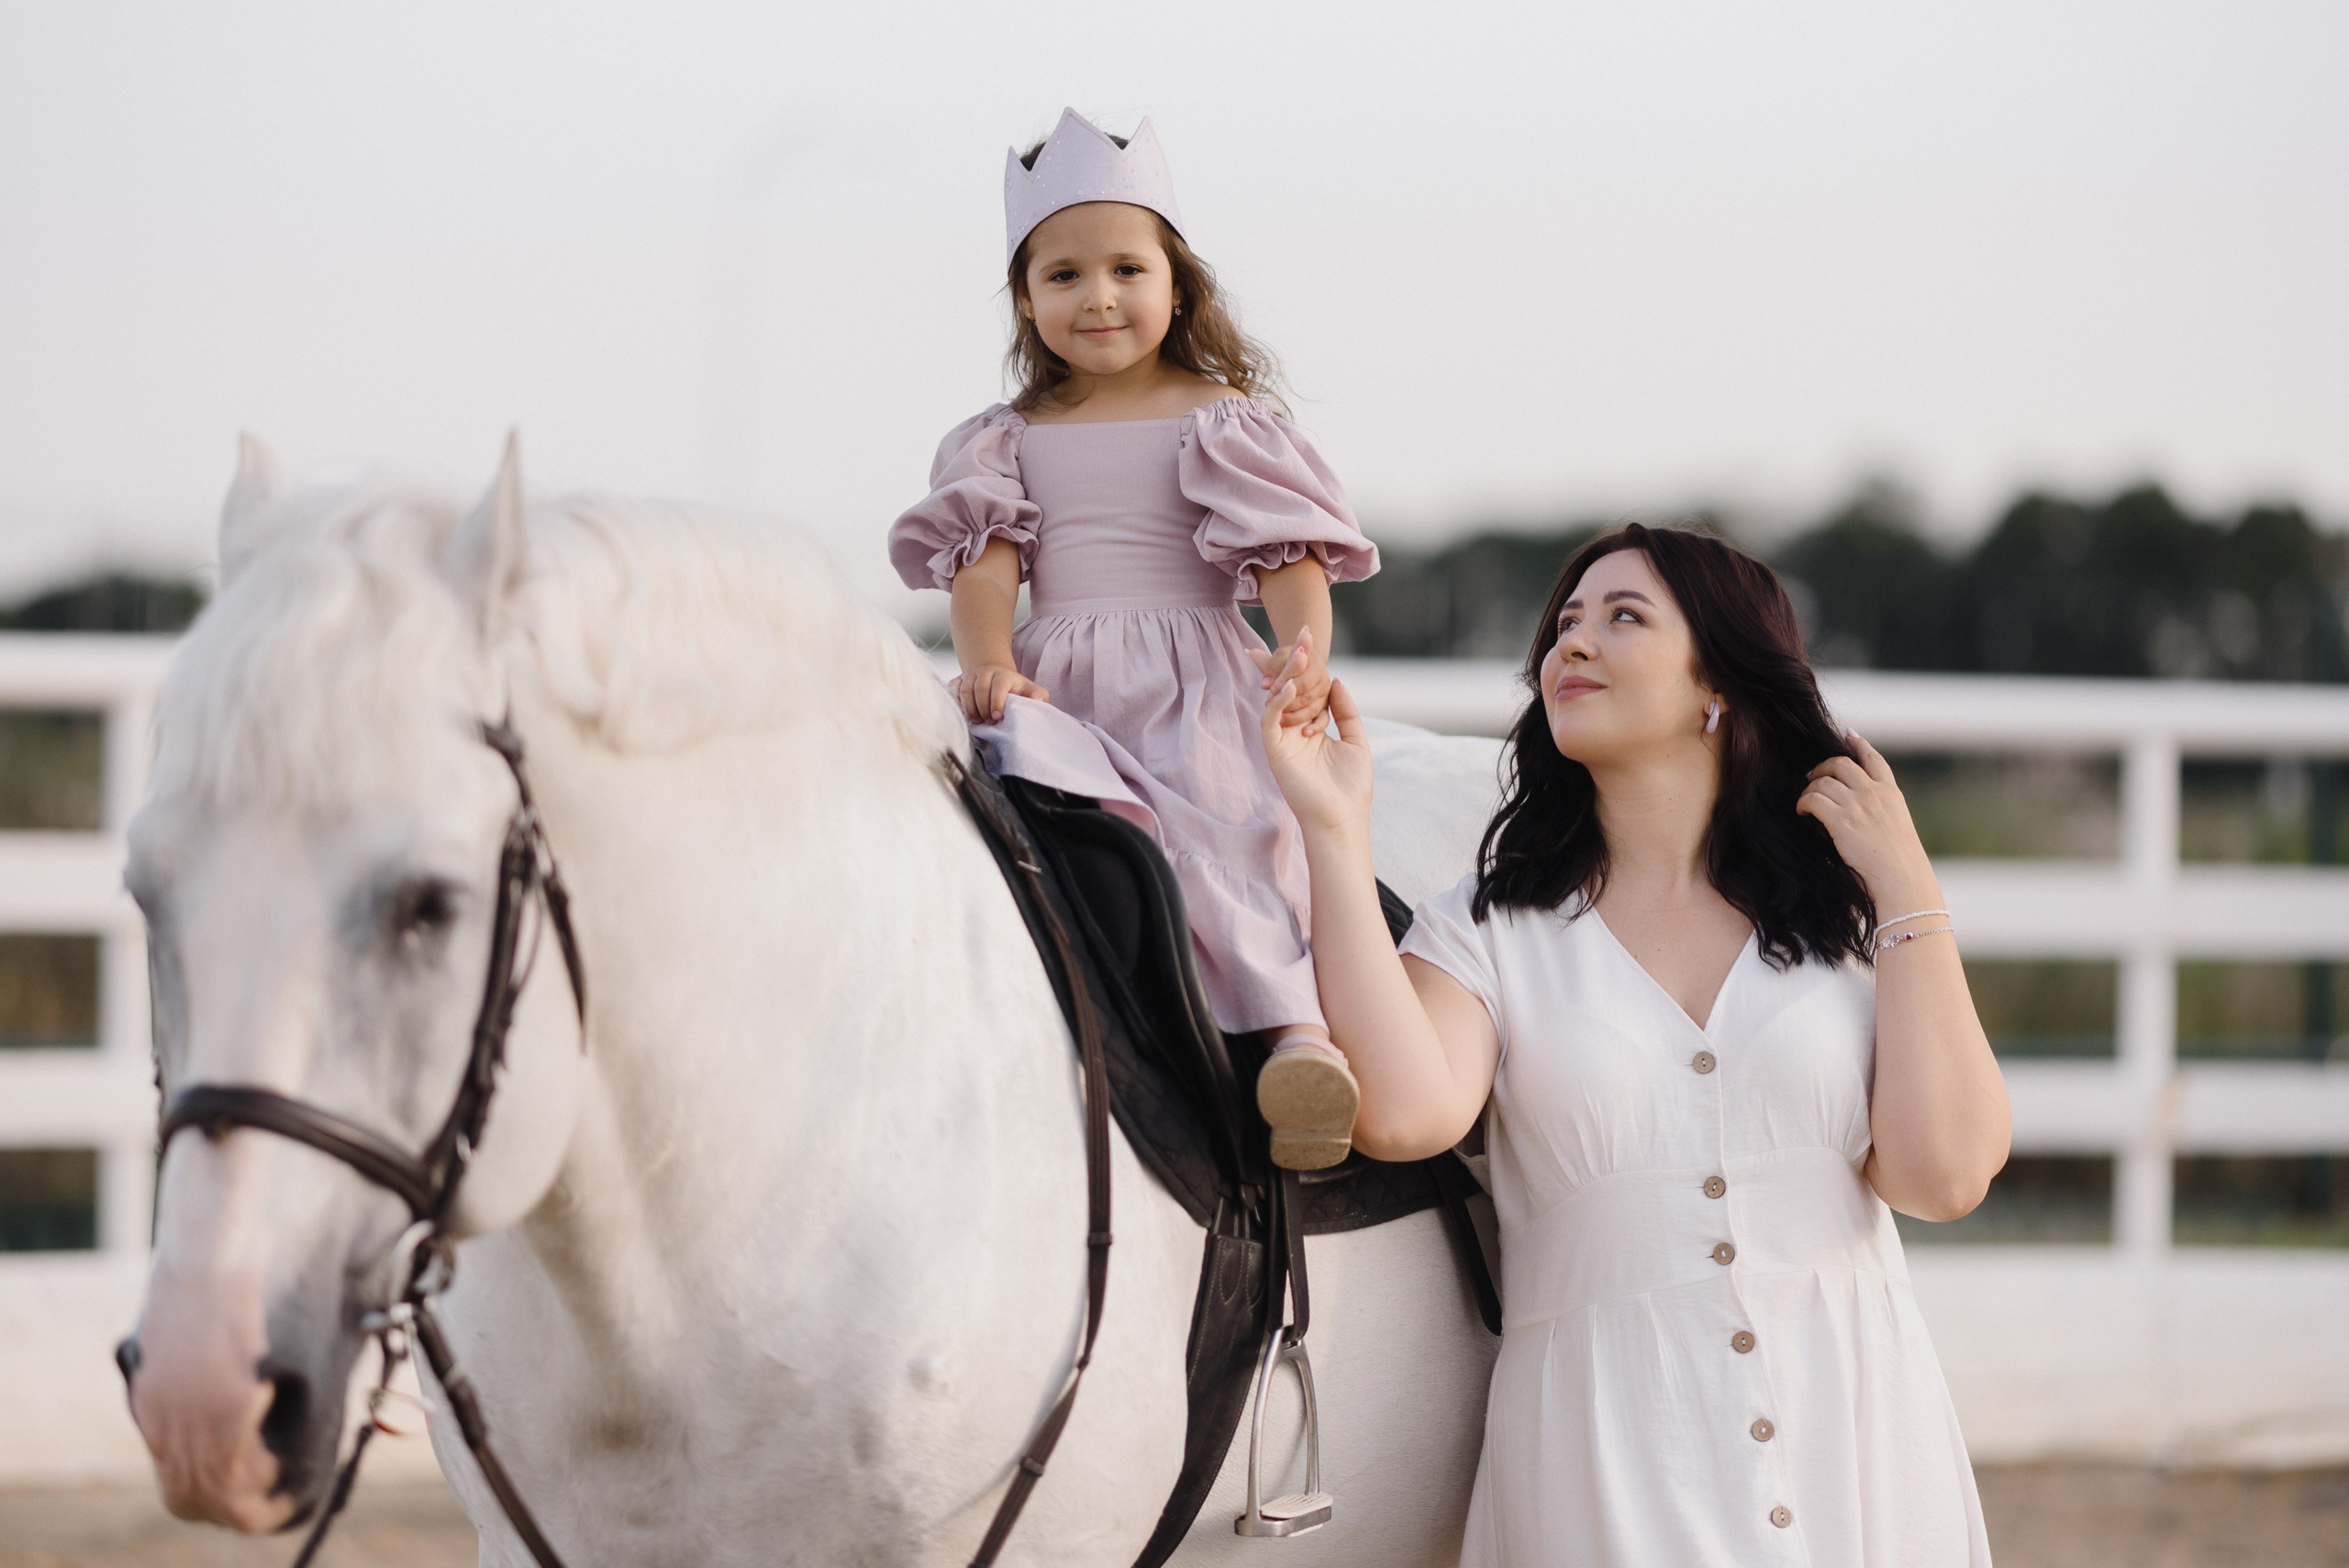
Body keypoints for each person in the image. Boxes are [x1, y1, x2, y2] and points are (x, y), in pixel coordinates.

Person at [1259, 523, 2008, 1563]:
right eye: (1564, 622)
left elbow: (1944, 1171)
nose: (1572, 642)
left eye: (1622, 617)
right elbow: (1402, 1111)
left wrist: (1908, 888)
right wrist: (1334, 829)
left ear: (1720, 686)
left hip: (1855, 1436)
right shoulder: (1489, 929)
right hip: (1610, 1454)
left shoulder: (1841, 924)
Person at [888, 108, 1377, 1169]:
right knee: (1031, 826)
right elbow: (988, 564)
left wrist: (1300, 654)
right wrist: (989, 664)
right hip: (1060, 680)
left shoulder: (1221, 417)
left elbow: (1286, 557)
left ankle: (1298, 1039)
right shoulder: (1006, 436)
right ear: (1025, 299)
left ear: (1176, 285)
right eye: (1061, 276)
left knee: (1228, 836)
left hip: (1192, 676)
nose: (1096, 297)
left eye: (1124, 268)